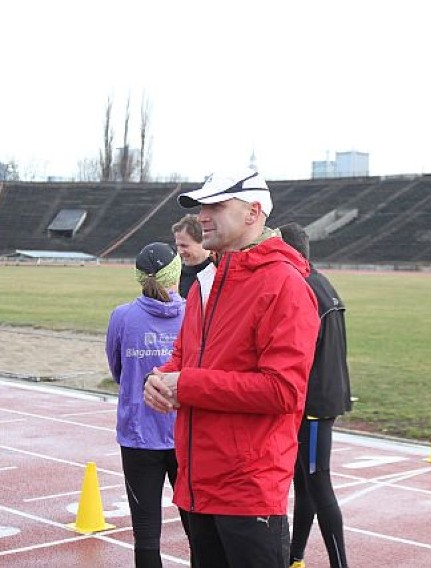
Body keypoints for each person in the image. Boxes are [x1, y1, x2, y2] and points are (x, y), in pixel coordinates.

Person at [143, 168, 320, 568]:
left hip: (248, 491)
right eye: (203, 206)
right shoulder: (208, 282)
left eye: (217, 205)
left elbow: (283, 391)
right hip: (198, 484)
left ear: (253, 212)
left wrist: (185, 385)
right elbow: (186, 358)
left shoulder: (284, 284)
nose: (204, 215)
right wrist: (160, 380)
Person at [106, 241, 189, 567]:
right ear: (176, 273)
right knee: (197, 528)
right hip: (185, 433)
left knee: (146, 534)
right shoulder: (195, 313)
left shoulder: (123, 316)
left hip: (138, 434)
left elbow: (118, 370)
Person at [279, 222, 352, 568]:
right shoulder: (323, 283)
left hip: (315, 405)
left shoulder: (304, 288)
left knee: (318, 483)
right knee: (304, 482)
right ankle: (296, 556)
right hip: (325, 396)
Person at [171, 214, 212, 299]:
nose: (180, 251)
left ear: (203, 241)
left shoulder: (219, 272)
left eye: (184, 246)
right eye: (177, 246)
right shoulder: (177, 276)